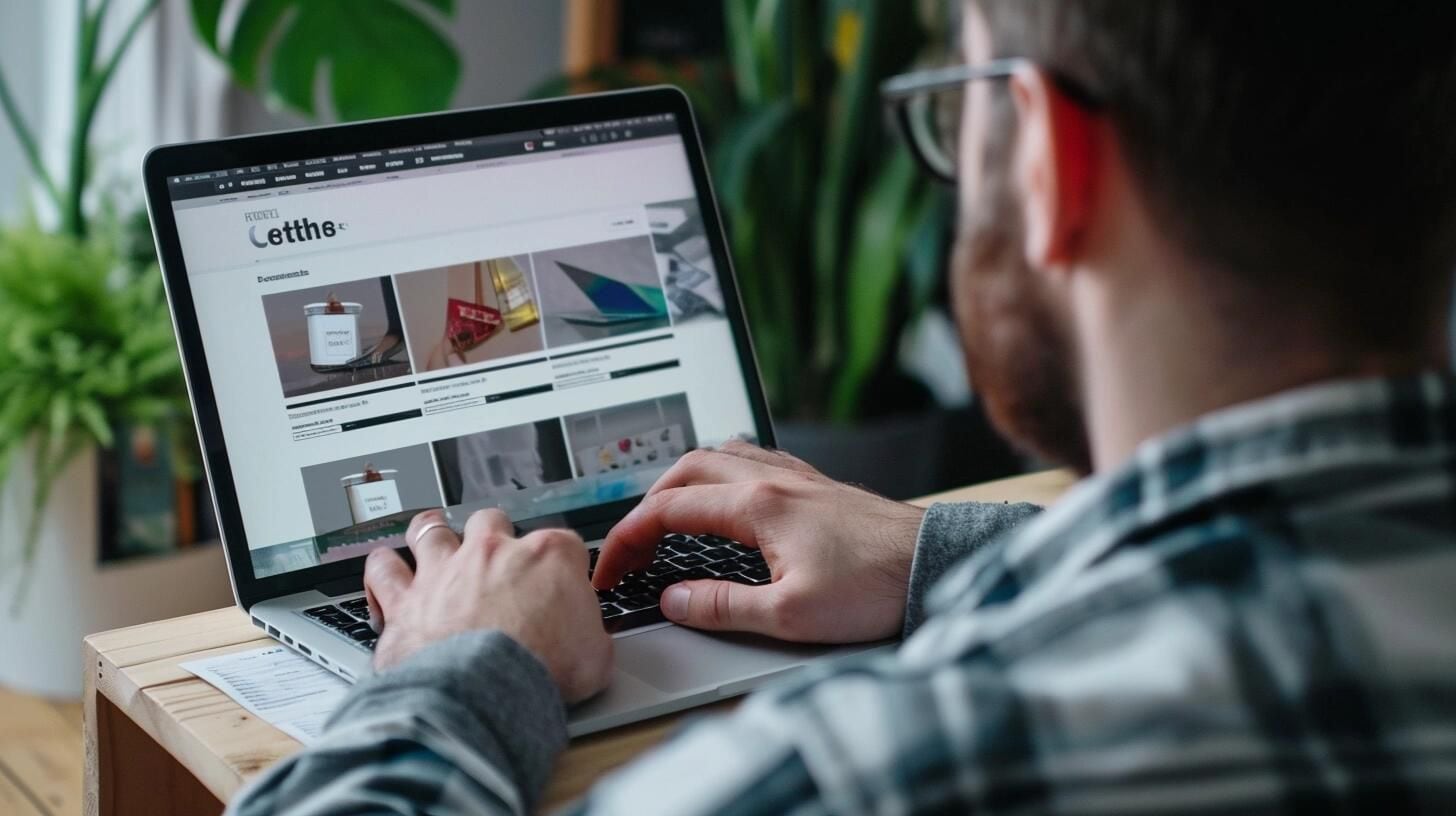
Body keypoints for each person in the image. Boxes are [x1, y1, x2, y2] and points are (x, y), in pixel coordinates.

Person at [232, 1, 1456, 812]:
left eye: (959, 95)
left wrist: (461, 670)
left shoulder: (844, 776)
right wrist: (938, 551)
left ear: (1045, 161)